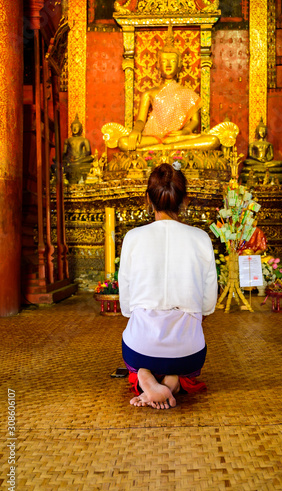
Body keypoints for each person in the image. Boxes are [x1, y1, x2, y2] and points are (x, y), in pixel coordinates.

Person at [118, 163, 218, 409]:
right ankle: (172, 381)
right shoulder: (201, 238)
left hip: (140, 348)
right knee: (185, 363)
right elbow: (207, 306)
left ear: (148, 200)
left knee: (136, 343)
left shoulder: (132, 237)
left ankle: (144, 376)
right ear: (184, 200)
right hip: (188, 352)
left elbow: (127, 308)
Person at [118, 27, 220, 152]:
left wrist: (184, 132)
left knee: (213, 140)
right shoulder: (149, 93)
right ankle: (166, 145)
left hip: (177, 137)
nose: (168, 64)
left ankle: (166, 146)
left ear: (179, 65)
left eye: (172, 61)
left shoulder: (188, 93)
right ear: (158, 65)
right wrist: (136, 130)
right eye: (164, 61)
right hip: (155, 137)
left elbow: (195, 121)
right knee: (123, 142)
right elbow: (140, 119)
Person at [62, 114, 94, 183]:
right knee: (57, 160)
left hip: (81, 159)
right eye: (73, 127)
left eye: (77, 127)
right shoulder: (68, 140)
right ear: (71, 128)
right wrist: (65, 157)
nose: (75, 128)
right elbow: (64, 152)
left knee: (91, 158)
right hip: (70, 160)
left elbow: (88, 152)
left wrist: (81, 157)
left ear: (81, 129)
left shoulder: (84, 140)